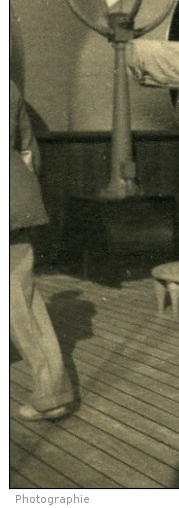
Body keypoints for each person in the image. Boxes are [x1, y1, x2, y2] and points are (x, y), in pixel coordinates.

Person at [10, 79, 74, 420]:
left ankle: (51, 392)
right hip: (17, 195)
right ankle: (55, 392)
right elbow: (28, 149)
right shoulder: (10, 87)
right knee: (23, 295)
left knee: (15, 300)